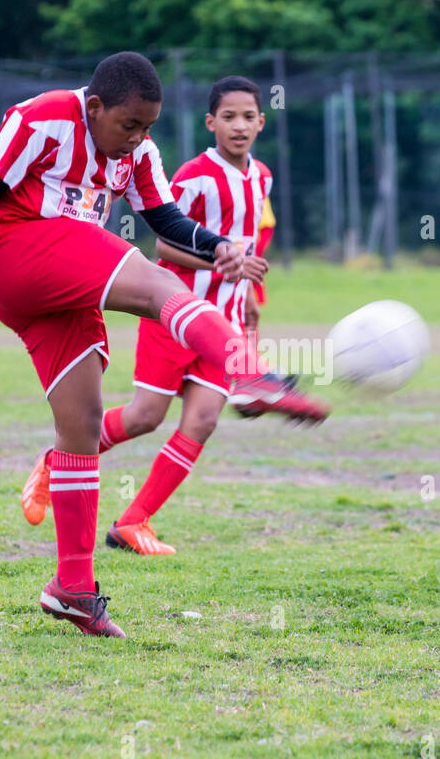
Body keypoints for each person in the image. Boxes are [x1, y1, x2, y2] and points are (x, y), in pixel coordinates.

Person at [0, 52, 327, 638]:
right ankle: (248, 372)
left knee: (82, 428)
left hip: (59, 293)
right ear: (94, 108)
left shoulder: (137, 150)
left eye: (149, 127)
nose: (139, 139)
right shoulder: (43, 117)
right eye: (129, 126)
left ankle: (71, 588)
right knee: (159, 284)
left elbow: (165, 218)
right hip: (18, 255)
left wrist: (216, 243)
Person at [20, 75, 275, 558]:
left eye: (248, 117)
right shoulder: (194, 175)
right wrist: (223, 259)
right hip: (177, 316)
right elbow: (164, 242)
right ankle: (57, 460)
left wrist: (250, 305)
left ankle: (134, 521)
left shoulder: (261, 178)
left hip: (228, 318)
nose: (239, 126)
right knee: (144, 417)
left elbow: (250, 247)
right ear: (211, 123)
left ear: (261, 122)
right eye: (228, 116)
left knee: (202, 421)